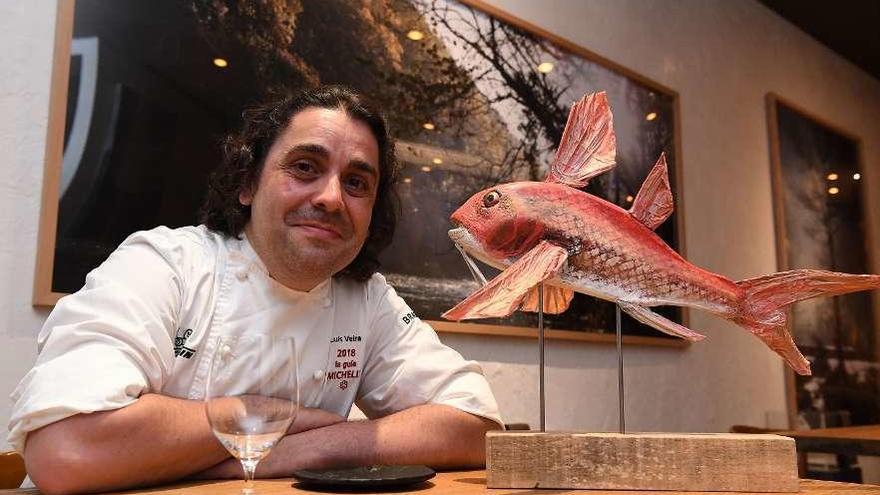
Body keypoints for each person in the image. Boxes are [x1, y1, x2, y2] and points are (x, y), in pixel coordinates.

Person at [9, 85, 503, 494]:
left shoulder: (365, 299)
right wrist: (261, 416)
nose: (331, 198)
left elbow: (476, 425)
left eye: (356, 183)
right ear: (248, 184)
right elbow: (66, 450)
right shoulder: (166, 264)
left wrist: (299, 450)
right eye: (305, 167)